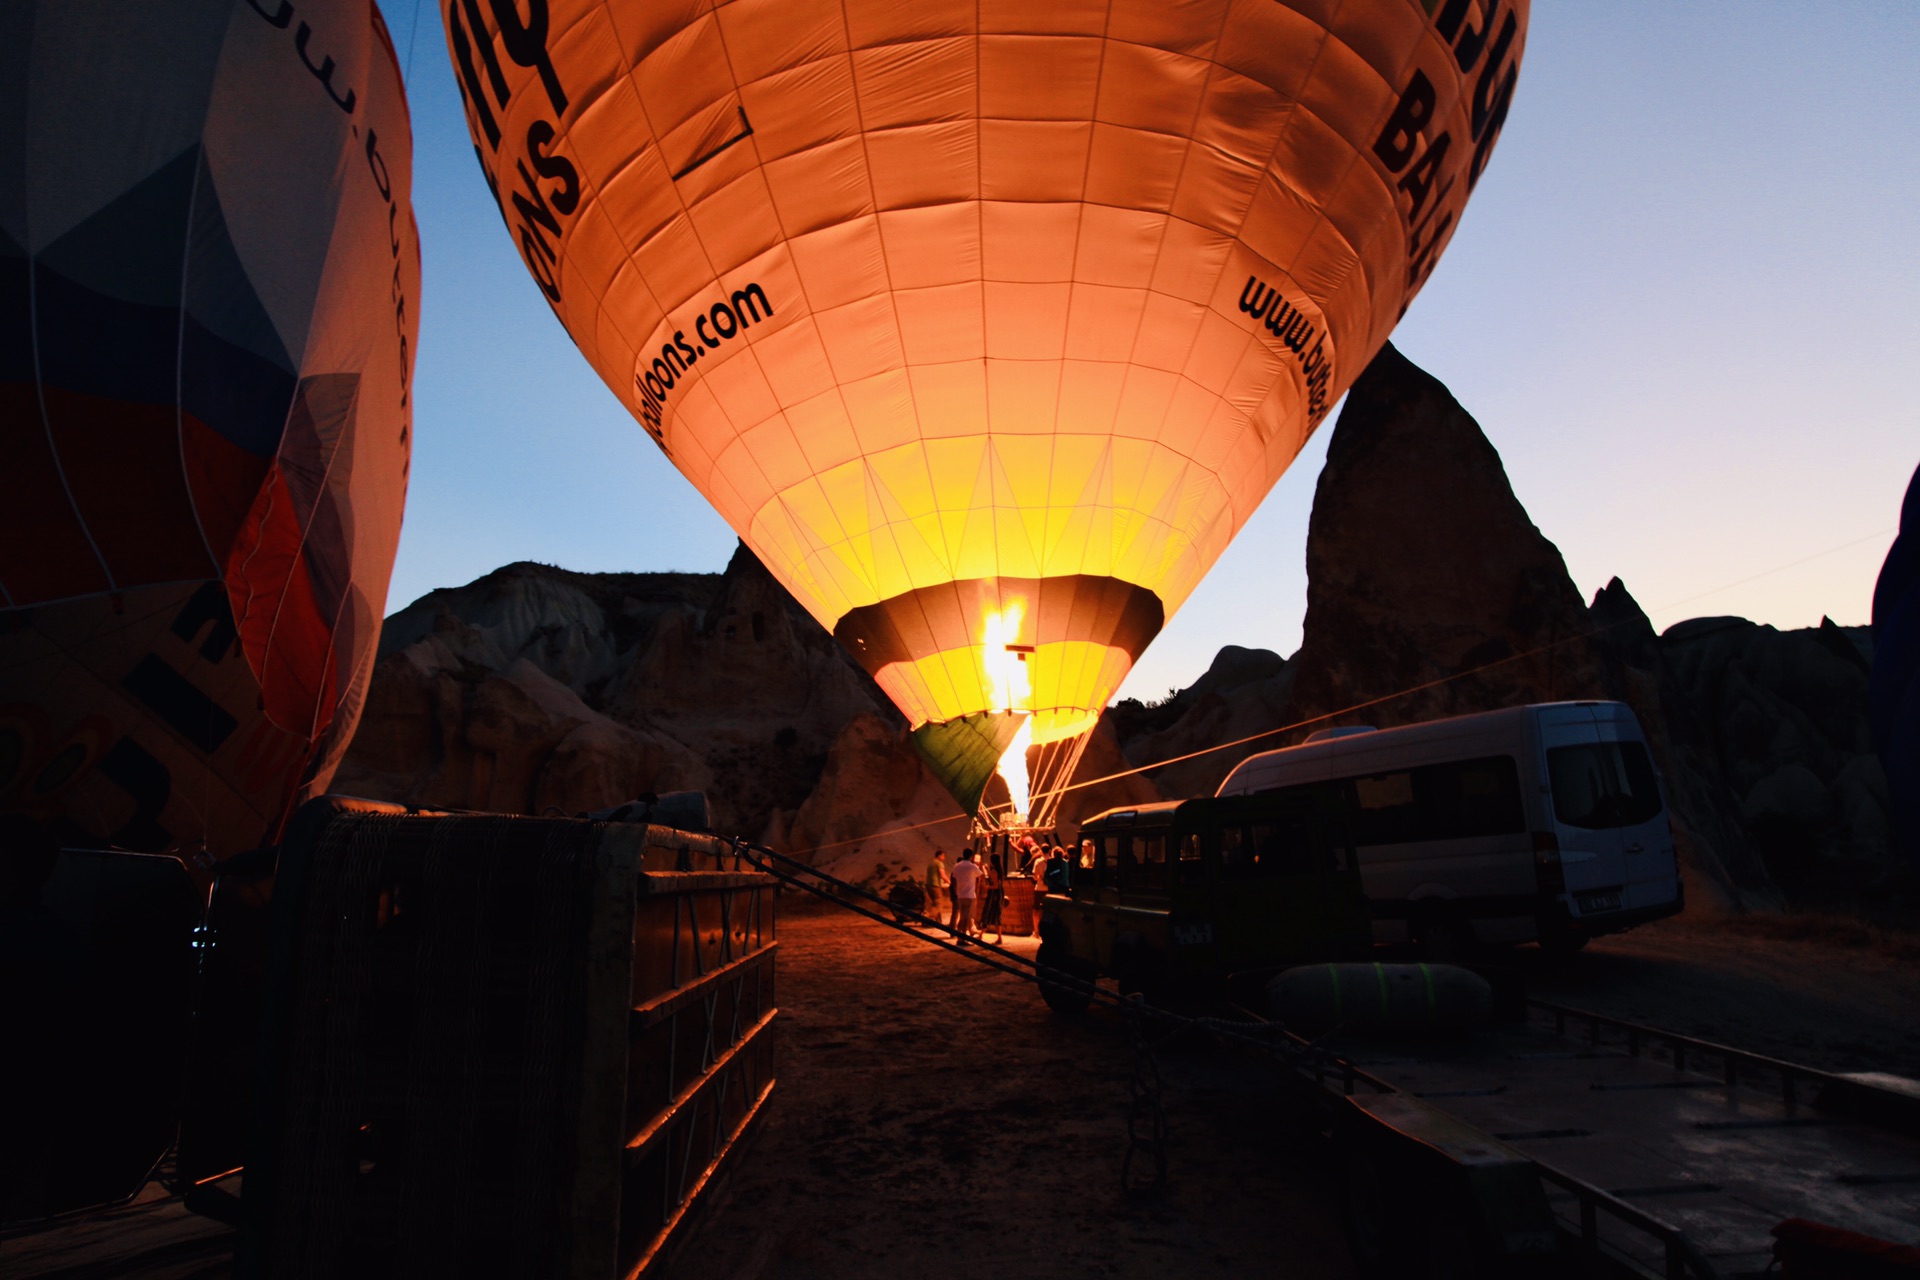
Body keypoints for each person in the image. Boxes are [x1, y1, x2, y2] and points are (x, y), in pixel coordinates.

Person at [948, 850, 983, 943]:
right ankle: (962, 938)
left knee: (962, 917)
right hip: (969, 895)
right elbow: (981, 875)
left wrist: (956, 891)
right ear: (971, 856)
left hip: (960, 895)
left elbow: (954, 879)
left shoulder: (957, 866)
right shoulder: (972, 866)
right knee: (966, 918)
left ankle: (960, 936)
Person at [981, 853, 1006, 944]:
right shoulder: (999, 870)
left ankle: (981, 935)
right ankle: (999, 937)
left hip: (994, 896)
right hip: (998, 894)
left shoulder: (994, 871)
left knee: (988, 913)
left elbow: (995, 885)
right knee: (996, 915)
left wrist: (986, 887)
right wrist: (987, 870)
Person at [924, 850, 949, 926]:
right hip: (935, 886)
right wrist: (949, 882)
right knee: (938, 904)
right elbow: (942, 875)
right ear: (939, 856)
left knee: (935, 903)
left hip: (929, 885)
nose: (944, 858)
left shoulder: (931, 863)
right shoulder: (939, 863)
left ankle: (938, 921)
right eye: (943, 856)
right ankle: (926, 918)